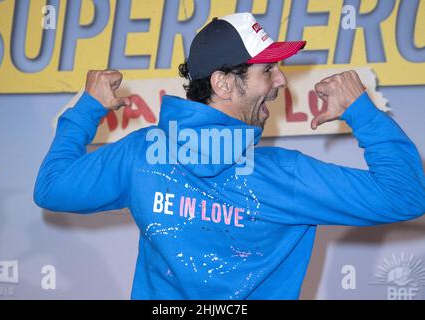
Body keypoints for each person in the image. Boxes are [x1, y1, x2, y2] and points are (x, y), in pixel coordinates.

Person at [34, 12, 424, 299]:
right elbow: (406, 194)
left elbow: (52, 188)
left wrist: (86, 110)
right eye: (267, 71)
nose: (281, 80)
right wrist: (362, 110)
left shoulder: (141, 154)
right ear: (222, 83)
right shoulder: (282, 175)